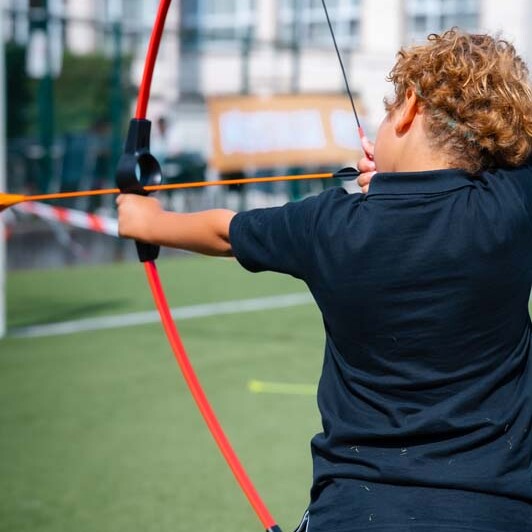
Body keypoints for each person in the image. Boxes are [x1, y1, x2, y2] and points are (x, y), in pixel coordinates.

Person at [117, 30, 532, 531]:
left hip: (357, 511)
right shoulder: (512, 208)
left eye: (390, 109)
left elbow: (225, 232)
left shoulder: (330, 227)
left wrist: (146, 220)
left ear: (409, 108)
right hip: (498, 512)